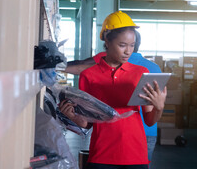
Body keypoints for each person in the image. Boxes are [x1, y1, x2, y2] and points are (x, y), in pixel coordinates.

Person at [59, 11, 167, 169]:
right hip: (101, 154)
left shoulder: (140, 73)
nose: (128, 51)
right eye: (122, 45)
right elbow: (87, 123)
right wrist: (72, 116)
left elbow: (150, 121)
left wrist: (159, 107)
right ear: (107, 41)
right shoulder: (88, 76)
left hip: (136, 155)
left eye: (131, 45)